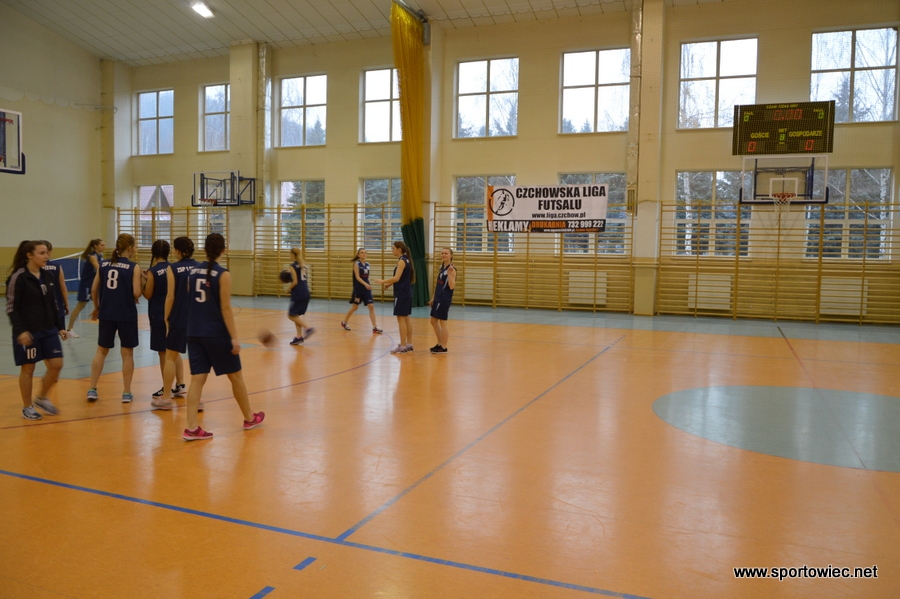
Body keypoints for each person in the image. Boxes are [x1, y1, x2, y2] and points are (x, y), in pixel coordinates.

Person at [182, 233, 264, 440]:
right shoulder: (222, 274)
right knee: (235, 376)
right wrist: (234, 337)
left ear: (204, 249)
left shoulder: (192, 273)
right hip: (216, 333)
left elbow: (191, 300)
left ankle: (191, 427)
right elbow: (226, 308)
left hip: (194, 332)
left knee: (197, 380)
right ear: (223, 250)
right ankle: (249, 418)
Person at [6, 240, 67, 420]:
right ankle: (27, 407)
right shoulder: (18, 277)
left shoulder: (47, 275)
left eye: (47, 252)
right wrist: (21, 331)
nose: (46, 256)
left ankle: (41, 398)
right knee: (28, 369)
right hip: (29, 332)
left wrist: (60, 327)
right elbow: (11, 308)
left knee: (56, 365)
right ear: (29, 255)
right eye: (42, 253)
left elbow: (52, 304)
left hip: (48, 329)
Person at [86, 233, 142, 403]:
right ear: (130, 248)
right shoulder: (134, 267)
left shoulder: (103, 264)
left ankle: (92, 389)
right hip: (126, 314)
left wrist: (97, 308)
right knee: (127, 353)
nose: (136, 249)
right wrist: (142, 281)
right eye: (135, 246)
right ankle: (126, 392)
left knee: (101, 351)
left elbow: (94, 290)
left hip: (107, 313)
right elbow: (137, 293)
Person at [142, 239, 185, 406]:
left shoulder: (153, 272)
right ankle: (180, 384)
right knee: (174, 351)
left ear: (153, 253)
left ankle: (166, 388)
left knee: (163, 354)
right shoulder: (173, 268)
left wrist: (143, 280)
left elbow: (147, 294)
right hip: (175, 314)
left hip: (159, 315)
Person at [155, 236, 195, 410]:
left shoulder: (173, 268)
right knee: (197, 359)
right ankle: (197, 398)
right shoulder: (199, 267)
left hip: (179, 317)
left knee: (170, 357)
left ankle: (166, 398)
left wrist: (166, 317)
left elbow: (170, 296)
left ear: (178, 251)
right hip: (196, 318)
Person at [374, 241, 415, 354]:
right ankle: (409, 344)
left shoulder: (401, 261)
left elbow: (396, 278)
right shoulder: (406, 259)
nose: (392, 250)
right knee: (406, 318)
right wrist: (390, 284)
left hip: (401, 294)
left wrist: (383, 281)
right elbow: (402, 278)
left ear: (399, 249)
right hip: (407, 292)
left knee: (401, 319)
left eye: (393, 248)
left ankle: (403, 346)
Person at [66, 238, 104, 337]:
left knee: (103, 305)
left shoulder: (101, 255)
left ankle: (107, 328)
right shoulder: (92, 256)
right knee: (80, 306)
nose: (104, 247)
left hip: (95, 285)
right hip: (87, 284)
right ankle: (69, 329)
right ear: (95, 246)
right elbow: (99, 268)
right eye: (101, 245)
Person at [341, 248, 382, 334]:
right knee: (355, 307)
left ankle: (375, 327)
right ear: (358, 255)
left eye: (365, 253)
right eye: (362, 253)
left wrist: (368, 284)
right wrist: (365, 284)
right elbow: (357, 277)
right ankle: (344, 322)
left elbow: (366, 277)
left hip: (366, 289)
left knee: (371, 306)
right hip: (359, 289)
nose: (364, 254)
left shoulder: (368, 264)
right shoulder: (356, 264)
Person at [427, 247, 457, 354]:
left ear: (451, 255)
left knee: (443, 322)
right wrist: (433, 297)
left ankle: (444, 347)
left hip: (444, 299)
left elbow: (452, 286)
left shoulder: (452, 269)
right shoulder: (442, 267)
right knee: (433, 321)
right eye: (442, 253)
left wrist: (450, 274)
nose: (443, 255)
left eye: (446, 253)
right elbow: (438, 284)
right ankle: (440, 343)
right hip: (438, 297)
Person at [286, 247, 315, 345]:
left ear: (293, 255)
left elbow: (295, 282)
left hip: (298, 293)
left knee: (290, 315)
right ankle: (299, 337)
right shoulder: (303, 266)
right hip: (305, 292)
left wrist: (288, 289)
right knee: (296, 315)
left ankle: (308, 328)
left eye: (290, 254)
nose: (289, 256)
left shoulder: (292, 266)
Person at [40, 240, 70, 324]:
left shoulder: (35, 267)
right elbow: (63, 288)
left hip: (41, 309)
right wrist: (66, 304)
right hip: (57, 306)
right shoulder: (57, 266)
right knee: (60, 329)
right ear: (50, 252)